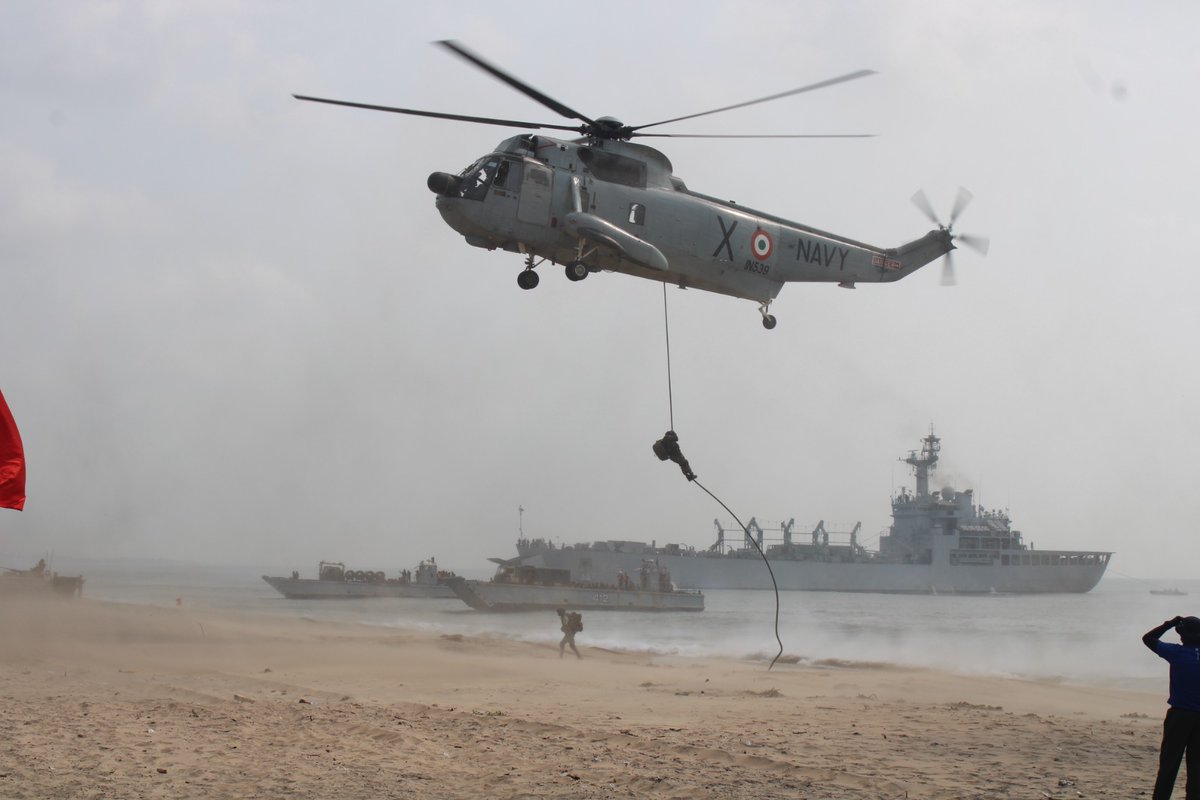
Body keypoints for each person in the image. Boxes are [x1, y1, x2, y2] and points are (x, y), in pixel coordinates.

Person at [1143, 615, 1200, 799]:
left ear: (1182, 636)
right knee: (1197, 768)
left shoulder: (1177, 653)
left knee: (1169, 765)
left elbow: (1148, 639)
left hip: (1180, 716)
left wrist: (1169, 624)